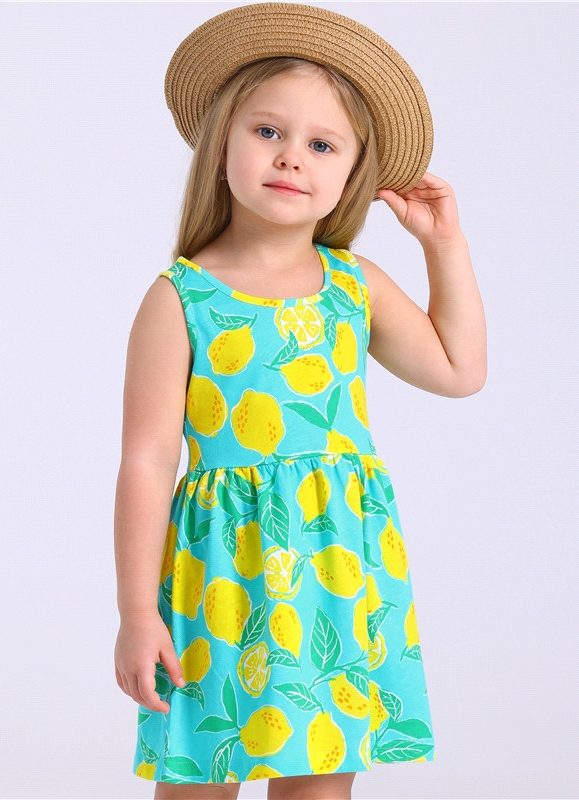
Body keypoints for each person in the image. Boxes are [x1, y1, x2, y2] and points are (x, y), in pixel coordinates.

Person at [113, 4, 487, 799]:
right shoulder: (181, 298)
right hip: (222, 573)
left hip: (335, 569)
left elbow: (459, 370)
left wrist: (442, 246)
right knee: (202, 770)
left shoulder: (353, 285)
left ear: (353, 175)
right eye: (267, 131)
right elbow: (146, 460)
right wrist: (136, 612)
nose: (290, 156)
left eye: (322, 144)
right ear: (220, 146)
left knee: (319, 781)